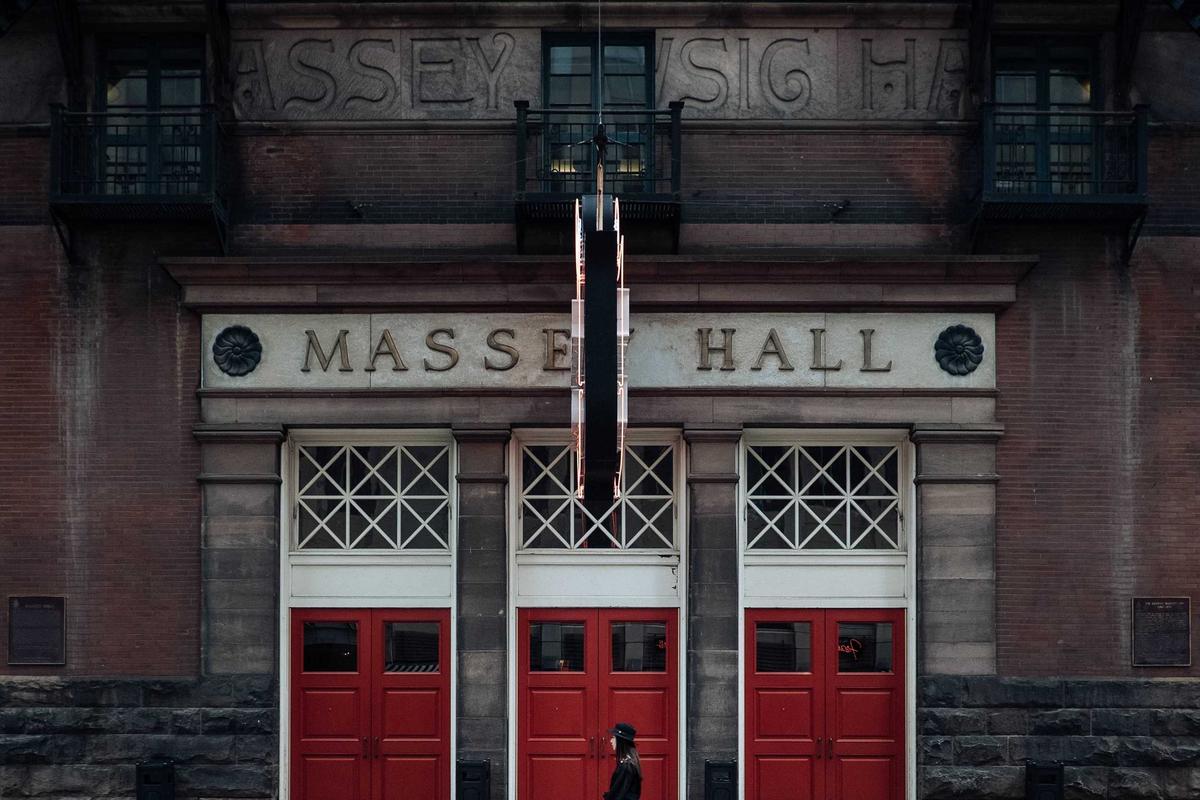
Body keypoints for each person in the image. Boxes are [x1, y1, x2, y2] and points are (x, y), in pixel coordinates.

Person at [604, 722, 642, 800]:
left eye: (613, 738)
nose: (611, 741)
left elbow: (619, 795)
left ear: (620, 741)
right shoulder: (629, 763)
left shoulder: (626, 766)